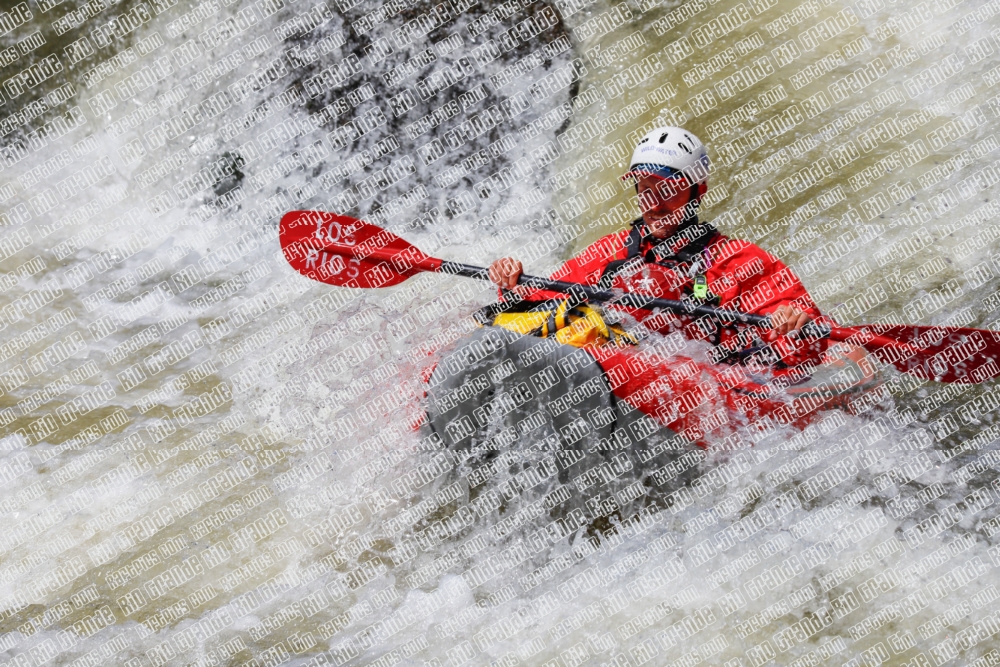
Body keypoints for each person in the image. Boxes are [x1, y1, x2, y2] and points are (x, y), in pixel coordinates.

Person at [488, 126, 832, 367]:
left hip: (685, 375)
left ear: (698, 191)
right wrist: (513, 284)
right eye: (646, 190)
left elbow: (797, 321)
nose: (655, 204)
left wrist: (792, 320)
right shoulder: (613, 250)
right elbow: (548, 300)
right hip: (606, 360)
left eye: (668, 191)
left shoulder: (736, 259)